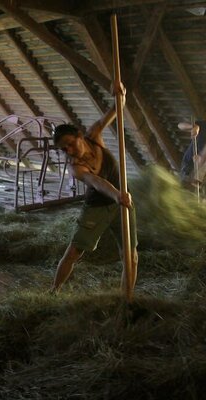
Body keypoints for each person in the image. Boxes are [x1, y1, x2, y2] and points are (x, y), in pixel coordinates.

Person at [51, 84, 138, 298]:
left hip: (122, 200)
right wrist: (117, 194)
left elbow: (115, 110)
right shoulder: (75, 168)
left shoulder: (94, 135)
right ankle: (53, 292)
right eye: (64, 150)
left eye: (70, 144)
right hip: (99, 206)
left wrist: (121, 94)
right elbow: (97, 182)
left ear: (80, 136)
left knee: (131, 256)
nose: (69, 151)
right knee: (74, 252)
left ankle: (127, 297)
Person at [177, 120, 206, 188]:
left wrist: (201, 161)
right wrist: (194, 127)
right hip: (187, 167)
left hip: (199, 181)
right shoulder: (204, 125)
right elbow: (180, 125)